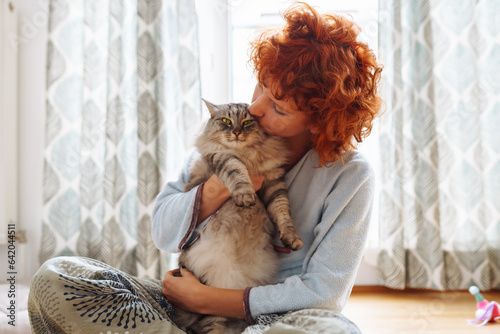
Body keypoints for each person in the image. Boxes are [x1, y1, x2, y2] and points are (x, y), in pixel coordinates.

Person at [28, 2, 382, 333]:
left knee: (333, 330)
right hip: (185, 307)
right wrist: (215, 188)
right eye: (260, 86)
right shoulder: (222, 139)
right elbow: (164, 232)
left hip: (274, 319)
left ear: (319, 123)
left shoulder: (350, 176)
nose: (255, 108)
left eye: (278, 107)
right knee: (56, 279)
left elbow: (325, 294)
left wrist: (209, 299)